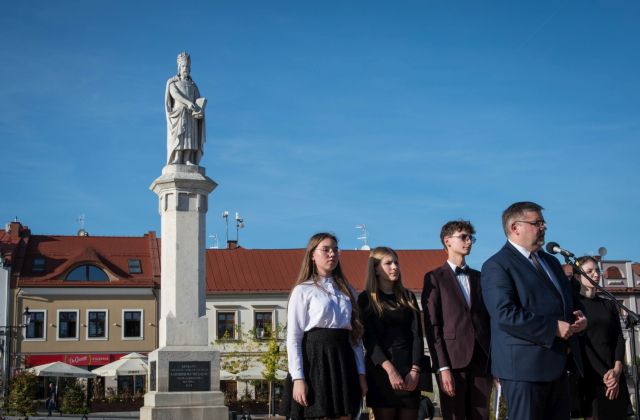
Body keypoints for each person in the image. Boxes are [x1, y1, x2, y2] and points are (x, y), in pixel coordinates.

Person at [481, 201, 587, 420]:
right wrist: (553, 328)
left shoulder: (551, 262)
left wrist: (577, 320)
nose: (543, 227)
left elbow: (565, 302)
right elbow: (504, 313)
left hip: (558, 366)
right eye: (537, 223)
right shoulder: (497, 265)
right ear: (515, 227)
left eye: (543, 222)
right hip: (524, 370)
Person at [283, 232, 367, 419]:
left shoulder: (348, 290)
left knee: (345, 415)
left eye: (336, 250)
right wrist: (298, 377)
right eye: (326, 250)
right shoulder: (303, 290)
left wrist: (361, 374)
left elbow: (356, 338)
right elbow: (294, 338)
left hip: (344, 361)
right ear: (312, 254)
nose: (332, 254)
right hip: (315, 361)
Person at [422, 220, 492, 420]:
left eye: (471, 237)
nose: (468, 241)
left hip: (481, 359)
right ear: (447, 241)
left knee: (481, 415)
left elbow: (488, 321)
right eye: (463, 237)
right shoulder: (435, 277)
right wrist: (442, 367)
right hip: (453, 361)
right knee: (454, 415)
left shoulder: (480, 278)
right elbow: (432, 325)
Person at [358, 247, 424, 420]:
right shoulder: (365, 299)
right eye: (388, 263)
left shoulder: (408, 296)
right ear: (376, 269)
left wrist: (415, 370)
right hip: (381, 372)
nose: (395, 267)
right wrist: (390, 370)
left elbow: (417, 335)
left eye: (396, 262)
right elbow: (369, 339)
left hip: (410, 373)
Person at [574, 256, 630, 419]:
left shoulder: (609, 304)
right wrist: (606, 375)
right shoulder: (574, 304)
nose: (596, 275)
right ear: (578, 277)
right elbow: (582, 343)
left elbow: (619, 337)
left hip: (615, 375)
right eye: (589, 271)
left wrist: (617, 370)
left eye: (597, 270)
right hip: (591, 375)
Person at [165, 51, 206, 166]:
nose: (185, 68)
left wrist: (200, 108)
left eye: (187, 66)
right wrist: (188, 103)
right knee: (180, 137)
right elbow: (175, 94)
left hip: (191, 115)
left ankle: (188, 159)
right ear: (179, 67)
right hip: (179, 113)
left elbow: (198, 99)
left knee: (190, 139)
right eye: (183, 66)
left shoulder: (193, 85)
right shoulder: (173, 83)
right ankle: (177, 158)